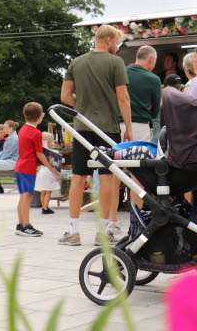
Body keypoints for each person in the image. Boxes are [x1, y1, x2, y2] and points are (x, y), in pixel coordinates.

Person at [58, 24, 133, 246]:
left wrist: (81, 108)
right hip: (107, 127)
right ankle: (103, 232)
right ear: (108, 40)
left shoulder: (76, 62)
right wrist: (127, 126)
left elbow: (65, 96)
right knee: (108, 178)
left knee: (79, 177)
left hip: (81, 127)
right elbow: (123, 98)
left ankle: (73, 231)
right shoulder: (116, 63)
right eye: (117, 42)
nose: (118, 47)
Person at [114, 45, 161, 230]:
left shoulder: (121, 72)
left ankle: (111, 220)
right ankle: (136, 217)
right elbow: (156, 109)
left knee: (114, 173)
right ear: (150, 59)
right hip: (140, 125)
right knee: (137, 174)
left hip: (116, 125)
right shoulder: (153, 79)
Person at [15, 103, 60, 236]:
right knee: (27, 196)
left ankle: (20, 224)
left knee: (23, 196)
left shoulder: (22, 129)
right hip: (28, 168)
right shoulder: (36, 133)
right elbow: (39, 153)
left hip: (20, 166)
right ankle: (26, 225)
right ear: (40, 117)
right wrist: (52, 168)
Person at [36, 131, 61, 214]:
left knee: (43, 191)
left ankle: (44, 206)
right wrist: (56, 175)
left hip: (41, 172)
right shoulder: (54, 153)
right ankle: (45, 207)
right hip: (49, 173)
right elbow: (56, 166)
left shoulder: (41, 153)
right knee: (48, 191)